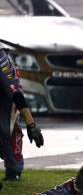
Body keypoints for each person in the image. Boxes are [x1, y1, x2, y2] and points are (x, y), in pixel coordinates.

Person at [0, 48, 44, 182]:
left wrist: (31, 124)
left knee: (6, 132)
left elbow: (16, 94)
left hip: (4, 99)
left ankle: (13, 170)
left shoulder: (2, 60)